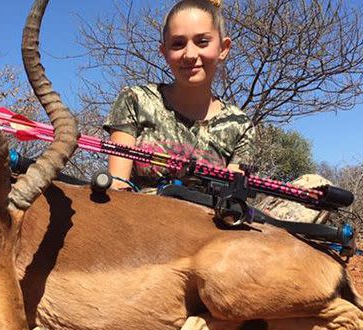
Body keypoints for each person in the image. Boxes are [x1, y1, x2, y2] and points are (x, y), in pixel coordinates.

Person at [103, 0, 255, 191]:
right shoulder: (135, 99)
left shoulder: (240, 126)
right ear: (164, 52)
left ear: (223, 49)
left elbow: (231, 200)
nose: (190, 54)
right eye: (178, 44)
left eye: (202, 42)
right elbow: (117, 186)